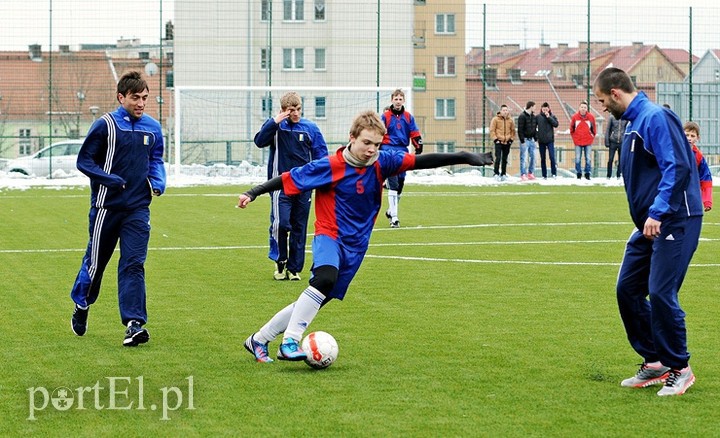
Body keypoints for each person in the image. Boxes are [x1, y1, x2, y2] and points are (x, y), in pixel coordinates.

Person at [238, 110, 493, 363]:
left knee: (313, 300)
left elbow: (421, 161)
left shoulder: (384, 162)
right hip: (330, 235)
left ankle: (258, 339)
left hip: (357, 245)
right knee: (325, 278)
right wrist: (253, 192)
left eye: (377, 144)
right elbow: (287, 178)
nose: (371, 150)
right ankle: (290, 342)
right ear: (352, 137)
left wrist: (464, 156)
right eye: (366, 143)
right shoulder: (331, 165)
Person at [593, 67, 703, 396]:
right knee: (627, 289)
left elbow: (678, 166)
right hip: (649, 225)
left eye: (601, 100)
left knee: (660, 292)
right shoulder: (632, 124)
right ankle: (655, 360)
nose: (601, 107)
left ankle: (680, 368)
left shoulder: (656, 117)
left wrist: (657, 211)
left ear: (615, 93)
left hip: (675, 218)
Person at [69, 71, 166, 347]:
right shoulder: (105, 126)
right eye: (135, 97)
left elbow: (156, 160)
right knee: (96, 264)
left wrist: (158, 182)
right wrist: (109, 179)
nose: (141, 103)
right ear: (121, 97)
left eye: (145, 98)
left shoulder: (153, 128)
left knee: (134, 264)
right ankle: (82, 304)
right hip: (106, 208)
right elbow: (84, 162)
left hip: (138, 209)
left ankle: (134, 324)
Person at [254, 91, 328, 281]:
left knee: (299, 226)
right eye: (291, 110)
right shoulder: (276, 128)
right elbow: (259, 141)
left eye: (298, 109)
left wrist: (322, 180)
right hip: (280, 185)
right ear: (283, 110)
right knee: (281, 223)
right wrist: (274, 121)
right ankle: (280, 262)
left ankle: (294, 268)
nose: (295, 113)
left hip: (304, 186)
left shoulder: (310, 128)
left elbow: (322, 156)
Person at [380, 89, 423, 228]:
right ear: (392, 100)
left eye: (400, 99)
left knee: (400, 183)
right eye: (396, 99)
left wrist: (418, 144)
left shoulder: (408, 117)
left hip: (403, 151)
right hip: (388, 151)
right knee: (393, 183)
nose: (398, 101)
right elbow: (379, 132)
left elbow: (414, 132)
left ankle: (391, 210)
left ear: (403, 101)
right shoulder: (385, 116)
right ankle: (395, 218)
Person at [683, 121, 713, 212]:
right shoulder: (673, 150)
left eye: (692, 136)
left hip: (690, 194)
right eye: (686, 135)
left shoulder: (699, 156)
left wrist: (707, 201)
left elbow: (706, 178)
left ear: (698, 138)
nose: (689, 138)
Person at [570, 101, 596, 180]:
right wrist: (575, 138)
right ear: (579, 108)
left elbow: (594, 129)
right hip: (578, 141)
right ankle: (578, 173)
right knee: (577, 158)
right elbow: (572, 129)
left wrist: (591, 137)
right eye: (582, 107)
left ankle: (587, 173)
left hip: (588, 141)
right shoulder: (575, 117)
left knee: (588, 158)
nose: (583, 109)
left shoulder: (591, 117)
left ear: (587, 108)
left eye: (585, 107)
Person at [490, 105, 516, 181]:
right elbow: (492, 130)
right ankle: (496, 173)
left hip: (507, 142)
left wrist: (511, 140)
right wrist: (495, 140)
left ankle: (503, 174)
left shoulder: (510, 120)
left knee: (505, 159)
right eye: (504, 110)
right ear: (500, 111)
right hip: (498, 142)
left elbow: (513, 131)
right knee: (498, 158)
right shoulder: (495, 119)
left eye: (506, 110)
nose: (505, 112)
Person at [535, 102, 559, 179]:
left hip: (550, 140)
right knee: (543, 158)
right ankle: (544, 175)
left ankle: (554, 173)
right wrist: (537, 136)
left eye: (546, 109)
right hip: (541, 141)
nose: (545, 111)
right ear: (541, 109)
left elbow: (556, 124)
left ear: (549, 109)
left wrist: (549, 117)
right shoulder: (538, 117)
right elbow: (534, 127)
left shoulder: (552, 116)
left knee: (552, 157)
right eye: (543, 109)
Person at [517, 100, 538, 181]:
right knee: (524, 158)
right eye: (534, 107)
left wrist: (536, 138)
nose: (535, 108)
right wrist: (522, 140)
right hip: (525, 140)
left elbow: (535, 128)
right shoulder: (522, 116)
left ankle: (530, 173)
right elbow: (520, 129)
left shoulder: (534, 117)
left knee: (533, 157)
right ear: (531, 106)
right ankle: (523, 174)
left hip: (532, 140)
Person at [604, 113, 627, 179]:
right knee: (610, 159)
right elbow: (608, 130)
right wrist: (607, 141)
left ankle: (618, 175)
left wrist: (626, 141)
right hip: (613, 141)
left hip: (622, 142)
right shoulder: (612, 117)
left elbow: (627, 129)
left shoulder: (625, 118)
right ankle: (608, 175)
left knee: (621, 159)